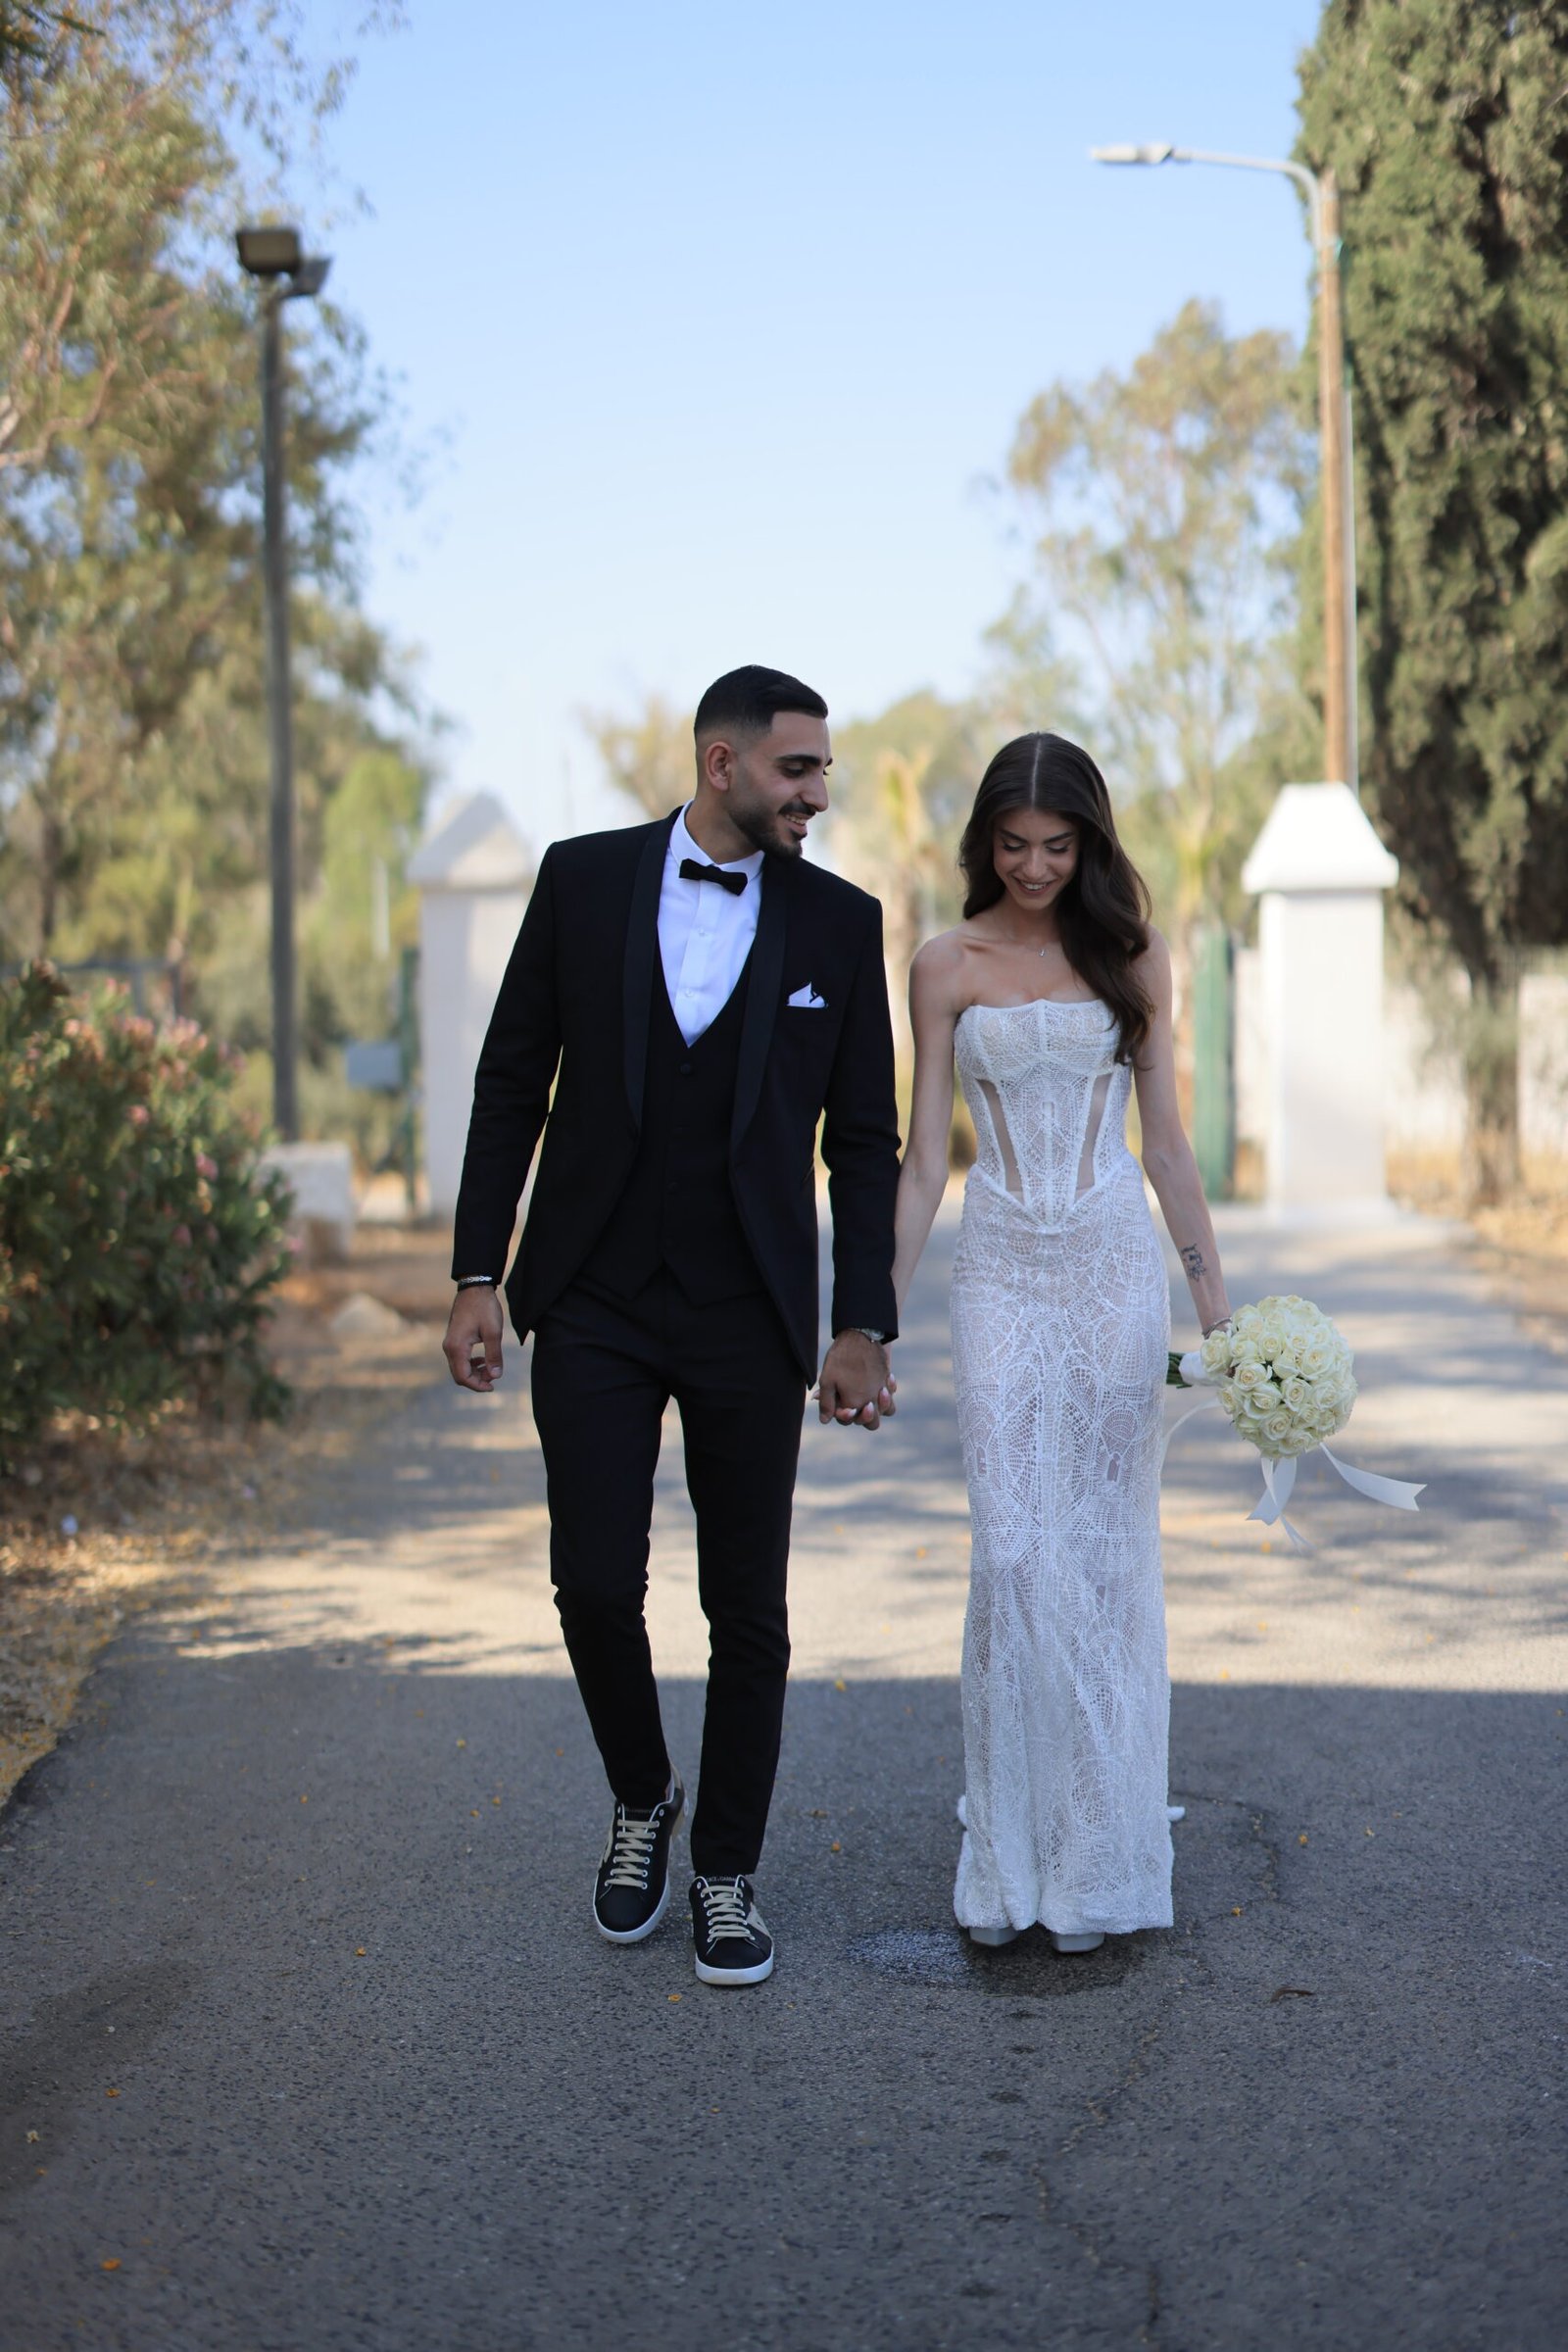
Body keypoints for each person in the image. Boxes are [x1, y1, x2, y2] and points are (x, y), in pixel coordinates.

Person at [442, 665, 901, 1988]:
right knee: (593, 1581)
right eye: (798, 770)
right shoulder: (581, 881)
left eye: (823, 772)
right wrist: (477, 1272)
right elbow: (510, 1083)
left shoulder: (839, 924)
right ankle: (643, 1796)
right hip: (590, 1293)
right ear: (722, 764)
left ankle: (728, 1872)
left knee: (745, 1605)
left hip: (748, 1307)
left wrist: (861, 1321)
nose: (818, 795)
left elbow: (862, 1142)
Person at [891, 732, 1231, 1953]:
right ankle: (1008, 1863)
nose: (1033, 867)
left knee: (1098, 1559)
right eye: (1013, 845)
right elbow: (922, 1162)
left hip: (1106, 1268)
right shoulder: (943, 964)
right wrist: (871, 1319)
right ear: (983, 841)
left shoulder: (1132, 956)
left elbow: (1167, 1146)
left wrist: (1217, 1310)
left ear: (1087, 843)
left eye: (1055, 846)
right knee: (1012, 1553)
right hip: (997, 1269)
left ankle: (1094, 1862)